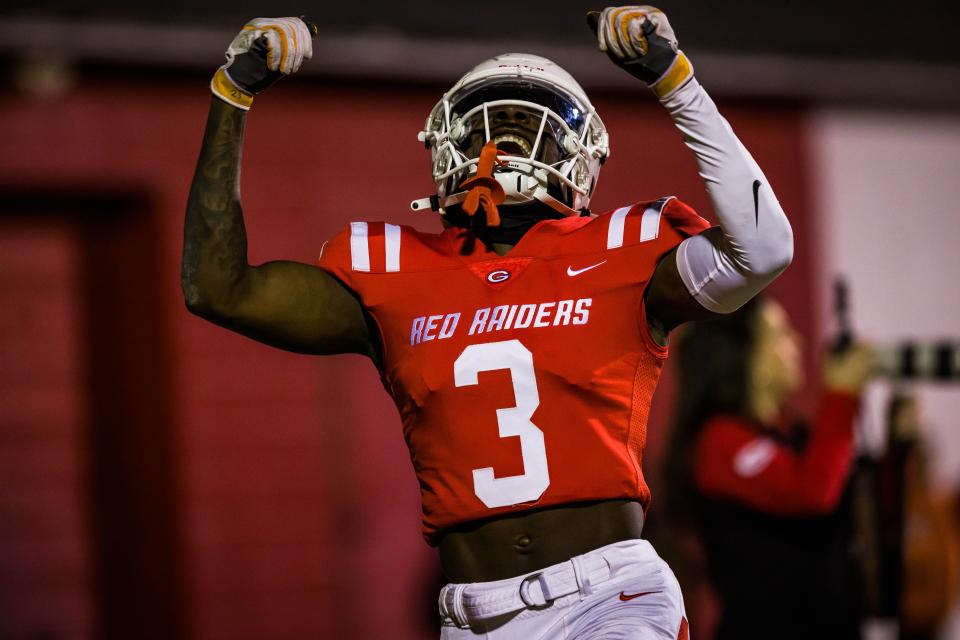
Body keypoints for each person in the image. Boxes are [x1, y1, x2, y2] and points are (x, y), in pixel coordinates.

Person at [181, 7, 794, 639]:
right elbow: (217, 290)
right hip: (474, 617)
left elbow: (765, 247)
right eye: (488, 131)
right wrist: (232, 95)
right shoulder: (390, 267)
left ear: (578, 154)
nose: (503, 150)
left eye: (528, 130)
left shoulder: (624, 247)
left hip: (609, 597)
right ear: (448, 143)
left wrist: (675, 79)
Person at [661, 296, 875, 639]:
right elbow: (812, 492)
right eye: (780, 334)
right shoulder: (719, 441)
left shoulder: (791, 433)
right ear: (746, 356)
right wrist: (841, 396)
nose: (799, 343)